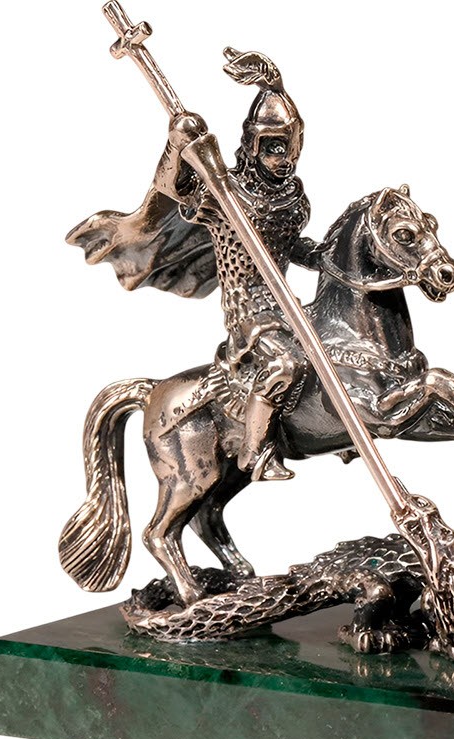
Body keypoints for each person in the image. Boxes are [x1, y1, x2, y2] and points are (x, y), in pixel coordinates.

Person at [68, 49, 316, 481]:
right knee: (284, 367)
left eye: (288, 147)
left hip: (285, 304)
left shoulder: (292, 197)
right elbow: (174, 188)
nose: (283, 158)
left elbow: (292, 247)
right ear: (253, 145)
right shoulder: (225, 195)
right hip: (249, 311)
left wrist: (331, 260)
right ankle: (255, 453)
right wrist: (179, 144)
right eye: (273, 147)